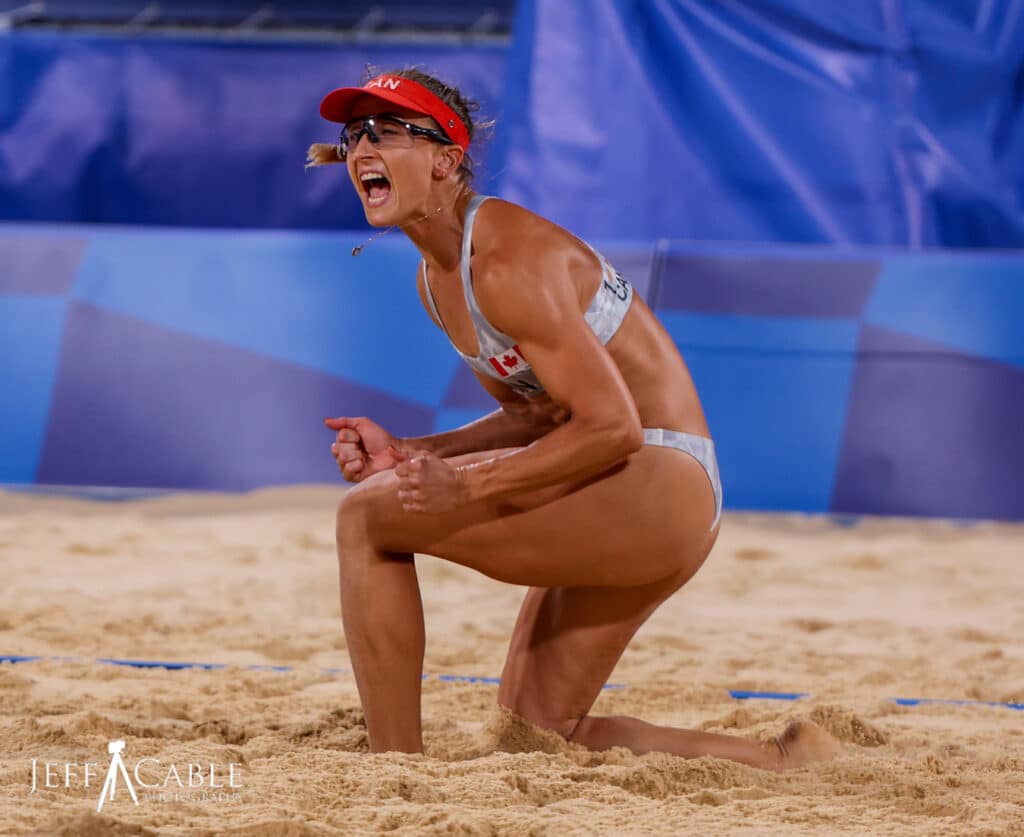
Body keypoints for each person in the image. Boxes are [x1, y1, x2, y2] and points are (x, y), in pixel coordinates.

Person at [309, 68, 840, 769]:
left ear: (446, 159)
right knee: (537, 727)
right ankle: (781, 760)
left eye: (386, 131)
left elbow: (613, 426)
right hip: (625, 479)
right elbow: (538, 415)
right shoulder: (437, 280)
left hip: (655, 473)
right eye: (353, 135)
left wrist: (465, 486)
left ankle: (394, 771)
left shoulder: (501, 261)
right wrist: (411, 450)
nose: (361, 149)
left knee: (367, 517)